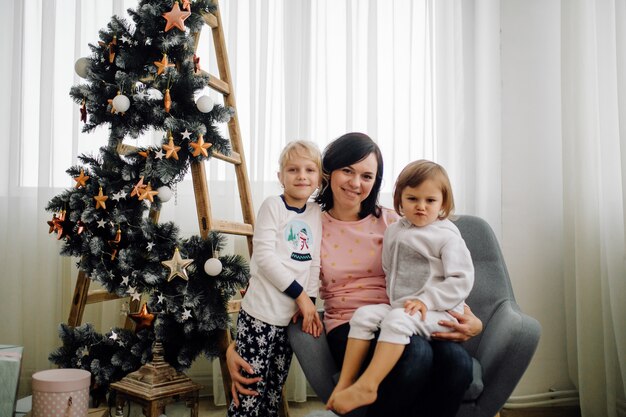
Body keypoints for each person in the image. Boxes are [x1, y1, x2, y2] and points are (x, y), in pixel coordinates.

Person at [227, 132, 483, 417]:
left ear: (376, 182)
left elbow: (443, 267)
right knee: (417, 355)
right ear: (329, 172)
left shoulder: (397, 222)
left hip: (401, 316)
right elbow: (274, 274)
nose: (355, 183)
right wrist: (237, 344)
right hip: (350, 325)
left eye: (366, 176)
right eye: (347, 171)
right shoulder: (310, 222)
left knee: (458, 363)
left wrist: (472, 321)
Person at [327, 160, 474, 414]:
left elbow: (461, 279)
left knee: (400, 323)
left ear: (443, 203)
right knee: (364, 316)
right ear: (400, 200)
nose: (420, 207)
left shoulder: (447, 236)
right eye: (412, 198)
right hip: (401, 307)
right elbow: (388, 269)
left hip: (436, 311)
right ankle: (346, 383)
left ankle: (368, 385)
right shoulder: (394, 229)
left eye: (430, 201)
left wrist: (428, 301)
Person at [226, 140, 324, 417]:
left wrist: (311, 302)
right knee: (250, 388)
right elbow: (265, 258)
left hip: (289, 321)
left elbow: (314, 262)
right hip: (260, 315)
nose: (302, 176)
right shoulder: (273, 206)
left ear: (319, 178)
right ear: (280, 177)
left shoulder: (316, 213)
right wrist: (301, 296)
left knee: (273, 390)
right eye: (293, 169)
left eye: (309, 169)